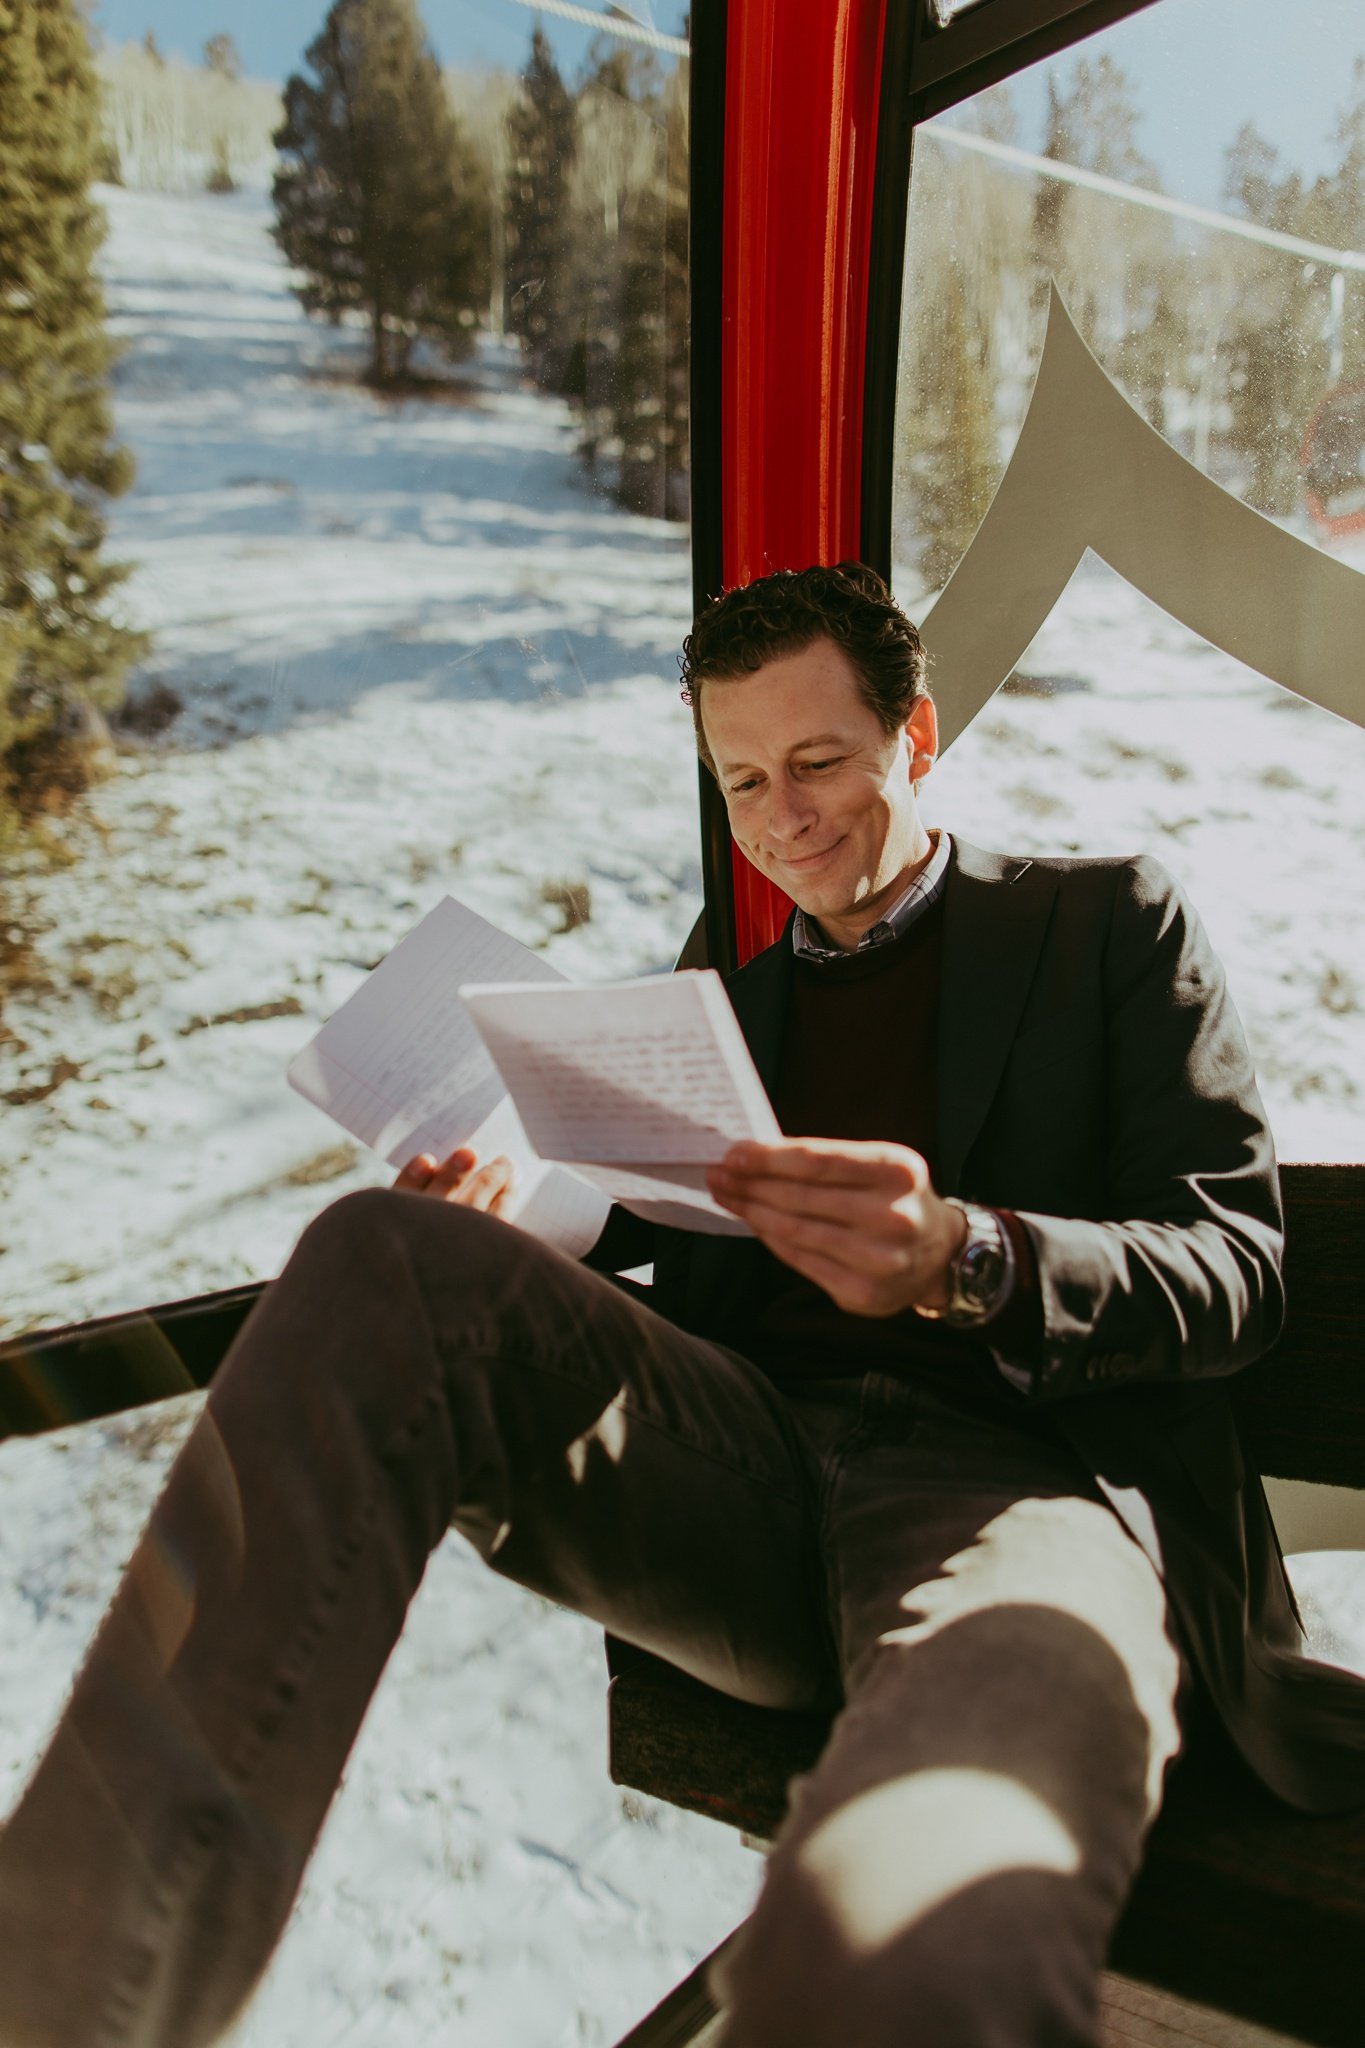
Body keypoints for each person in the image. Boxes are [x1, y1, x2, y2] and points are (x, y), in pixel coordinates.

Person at [0, 563, 1360, 2048]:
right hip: (743, 1481)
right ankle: (66, 2006)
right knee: (387, 1252)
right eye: (744, 781)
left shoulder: (1103, 928)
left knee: (929, 1869)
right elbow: (672, 1237)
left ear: (915, 736)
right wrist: (518, 1234)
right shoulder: (725, 993)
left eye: (820, 761)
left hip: (1012, 1493)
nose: (784, 816)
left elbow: (1235, 1271)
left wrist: (968, 1257)